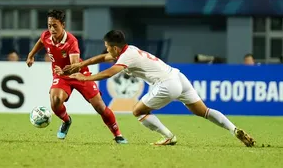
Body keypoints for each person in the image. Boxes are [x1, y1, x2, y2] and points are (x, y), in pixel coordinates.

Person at [61, 30, 256, 147]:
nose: (106, 50)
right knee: (203, 111)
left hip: (166, 84)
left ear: (114, 47)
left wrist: (86, 77)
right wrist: (81, 64)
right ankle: (234, 129)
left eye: (107, 46)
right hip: (178, 77)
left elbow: (110, 72)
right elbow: (103, 58)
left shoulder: (126, 56)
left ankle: (168, 137)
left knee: (138, 111)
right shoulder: (129, 49)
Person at [26, 10, 127, 144]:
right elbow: (41, 41)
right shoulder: (46, 35)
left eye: (55, 25)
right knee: (55, 101)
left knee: (100, 107)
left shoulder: (71, 41)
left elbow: (75, 66)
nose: (51, 29)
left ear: (63, 25)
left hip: (79, 74)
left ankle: (118, 135)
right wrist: (31, 55)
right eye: (49, 25)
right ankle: (66, 121)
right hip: (61, 75)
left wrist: (63, 71)